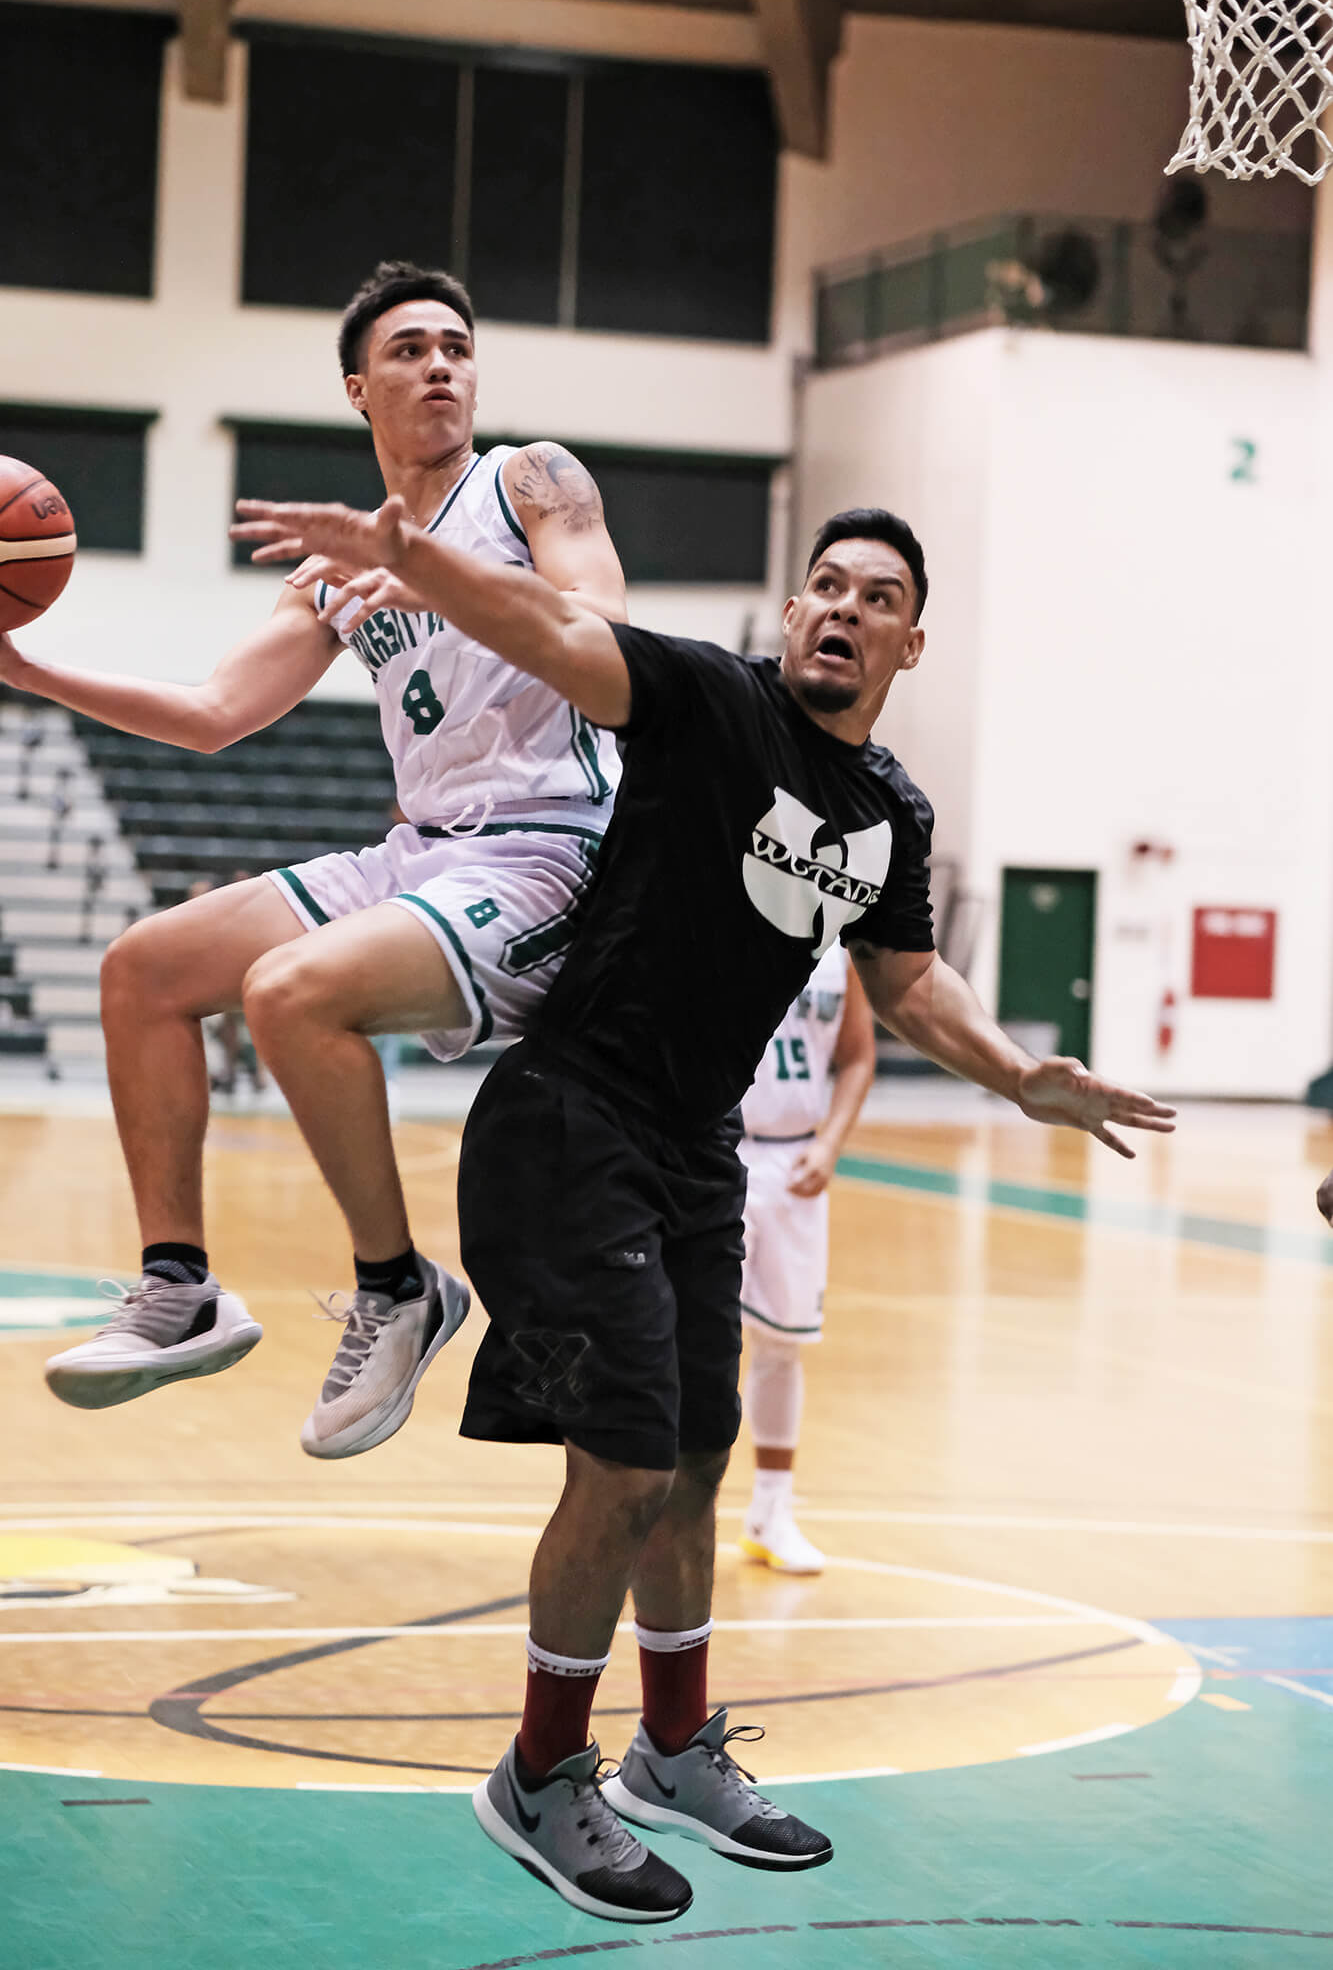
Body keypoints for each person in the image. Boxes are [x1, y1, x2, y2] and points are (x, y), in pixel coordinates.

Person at [231, 490, 1177, 1925]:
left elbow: (907, 983)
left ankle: (674, 1750)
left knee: (689, 1464)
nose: (845, 611)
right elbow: (552, 626)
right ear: (791, 614)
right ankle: (542, 1777)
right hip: (568, 1122)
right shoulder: (705, 704)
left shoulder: (891, 812)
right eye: (826, 588)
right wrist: (408, 557)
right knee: (616, 1470)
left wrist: (1013, 1076)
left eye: (877, 600)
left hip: (695, 1153)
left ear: (909, 645)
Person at [6, 259, 627, 1460]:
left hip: (554, 849)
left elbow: (604, 630)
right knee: (143, 968)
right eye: (409, 349)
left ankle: (399, 1286)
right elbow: (210, 710)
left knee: (290, 991)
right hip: (425, 852)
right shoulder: (347, 559)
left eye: (456, 344)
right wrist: (30, 672)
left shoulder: (531, 480)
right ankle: (179, 1285)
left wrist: (427, 570)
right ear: (358, 388)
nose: (440, 363)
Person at [737, 946, 876, 1575]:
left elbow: (858, 1058)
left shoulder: (840, 958)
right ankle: (665, 1504)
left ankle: (772, 1510)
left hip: (796, 1161)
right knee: (696, 1338)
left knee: (781, 1344)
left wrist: (830, 1144)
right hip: (719, 1152)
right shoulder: (728, 927)